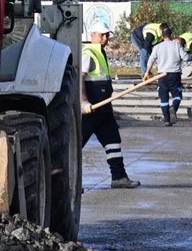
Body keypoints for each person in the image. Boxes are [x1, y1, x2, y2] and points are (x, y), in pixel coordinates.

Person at [81, 20, 141, 188]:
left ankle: (119, 177)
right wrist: (83, 101)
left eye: (107, 35)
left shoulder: (100, 52)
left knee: (113, 141)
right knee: (75, 146)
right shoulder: (88, 53)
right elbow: (79, 79)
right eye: (102, 35)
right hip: (90, 111)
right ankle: (68, 183)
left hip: (104, 110)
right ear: (93, 34)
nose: (105, 38)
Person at [144, 26, 190, 126]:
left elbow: (151, 60)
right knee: (177, 95)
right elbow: (186, 58)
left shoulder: (157, 47)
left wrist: (147, 72)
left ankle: (167, 120)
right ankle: (173, 108)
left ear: (162, 35)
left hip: (162, 76)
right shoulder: (177, 45)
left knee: (164, 98)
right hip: (175, 75)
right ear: (171, 35)